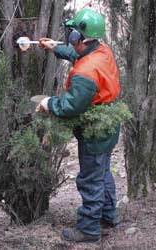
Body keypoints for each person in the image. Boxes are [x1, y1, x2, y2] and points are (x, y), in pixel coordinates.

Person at [36, 8, 121, 243]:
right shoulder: (101, 50)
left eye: (71, 34)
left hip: (95, 131)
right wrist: (54, 47)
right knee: (102, 171)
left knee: (90, 178)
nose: (69, 37)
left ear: (78, 38)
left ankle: (89, 229)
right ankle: (108, 215)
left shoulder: (86, 72)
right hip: (109, 126)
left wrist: (48, 103)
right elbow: (79, 56)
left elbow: (70, 106)